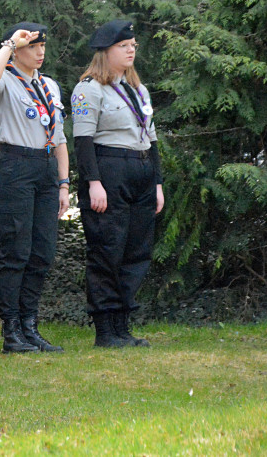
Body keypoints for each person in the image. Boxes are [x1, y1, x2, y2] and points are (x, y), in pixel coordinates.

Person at [0, 22, 69, 354]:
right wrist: (9, 45)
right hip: (15, 167)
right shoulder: (5, 79)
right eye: (32, 46)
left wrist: (63, 182)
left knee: (42, 253)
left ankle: (30, 326)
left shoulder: (50, 86)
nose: (40, 52)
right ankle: (11, 330)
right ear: (18, 50)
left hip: (45, 169)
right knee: (16, 252)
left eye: (43, 46)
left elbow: (59, 138)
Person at [71, 20, 163, 347]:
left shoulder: (138, 90)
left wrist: (157, 183)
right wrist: (93, 182)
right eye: (124, 46)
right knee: (108, 247)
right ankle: (106, 329)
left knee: (136, 250)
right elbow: (83, 142)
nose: (131, 50)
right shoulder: (89, 88)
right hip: (109, 169)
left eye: (133, 45)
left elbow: (151, 140)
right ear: (106, 51)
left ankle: (123, 326)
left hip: (140, 169)